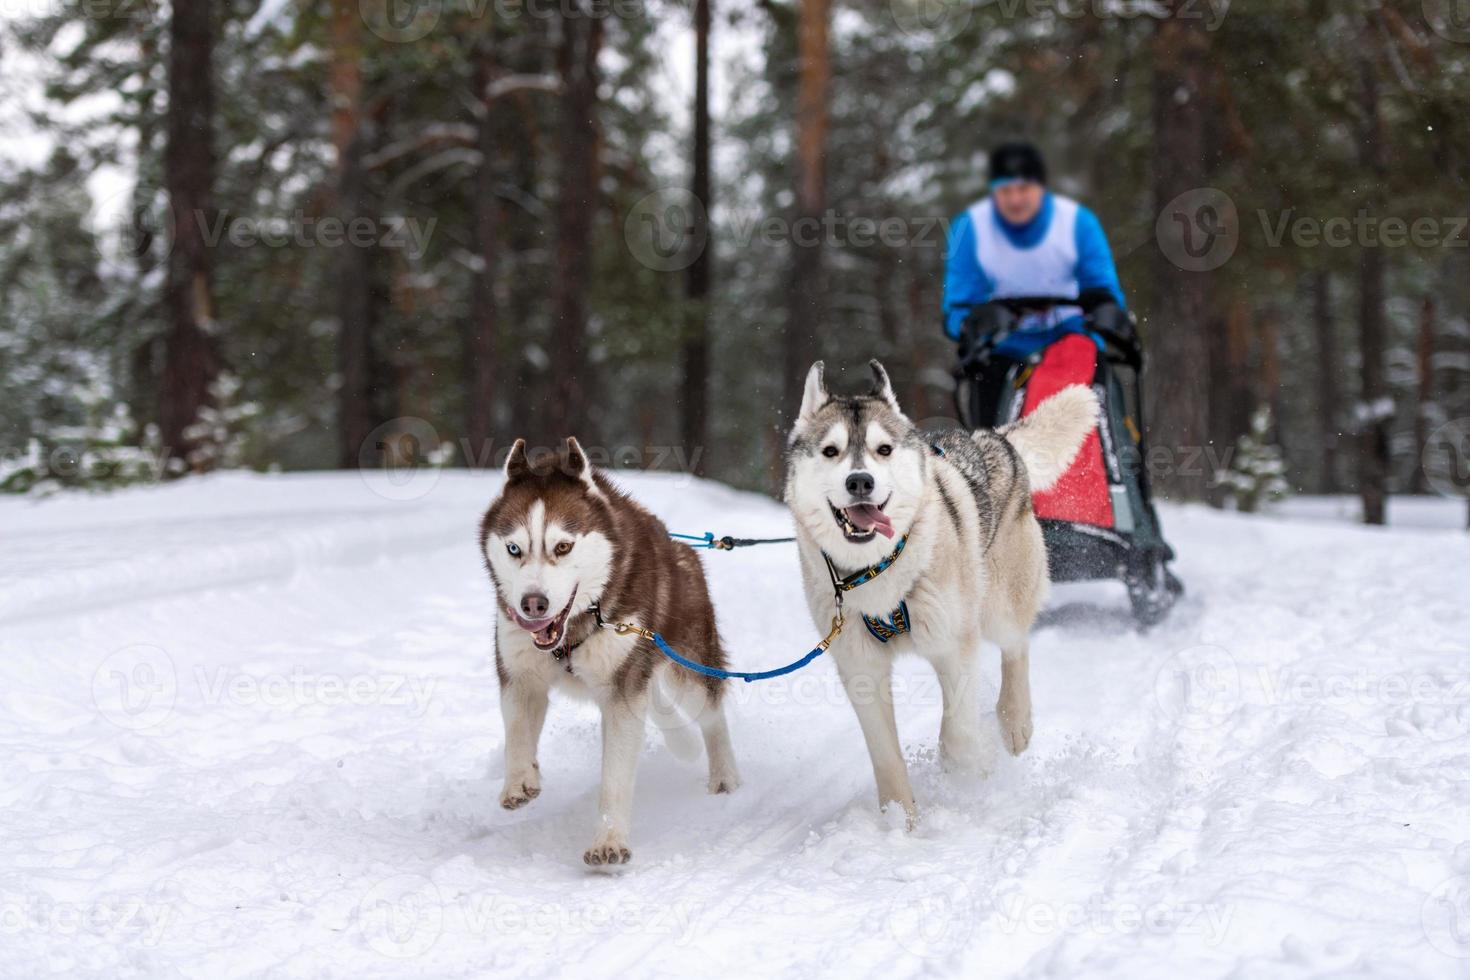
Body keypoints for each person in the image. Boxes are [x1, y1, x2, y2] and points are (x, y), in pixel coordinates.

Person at [943, 142, 1132, 367]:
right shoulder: (969, 228)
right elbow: (958, 307)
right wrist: (972, 323)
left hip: (1071, 337)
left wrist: (1105, 311)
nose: (1015, 200)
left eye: (1023, 189)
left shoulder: (1078, 222)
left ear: (1040, 188)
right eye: (1005, 191)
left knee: (1085, 380)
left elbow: (1104, 289)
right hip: (1003, 344)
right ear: (993, 192)